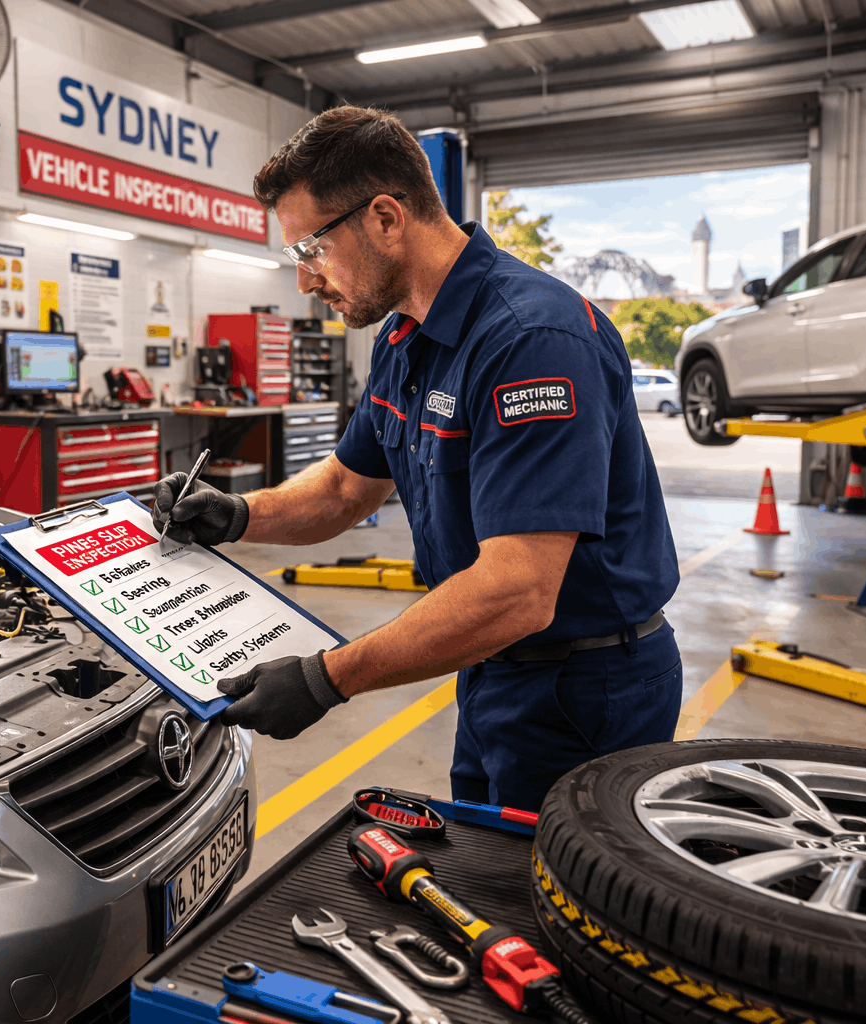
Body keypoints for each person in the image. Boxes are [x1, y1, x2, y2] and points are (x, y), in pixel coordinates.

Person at [152, 107, 682, 812]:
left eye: (311, 249)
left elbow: (519, 589)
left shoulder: (531, 342)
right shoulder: (405, 337)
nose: (306, 282)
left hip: (588, 688)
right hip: (493, 667)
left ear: (385, 218)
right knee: (488, 878)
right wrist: (238, 513)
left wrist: (327, 677)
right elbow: (346, 485)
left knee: (562, 907)